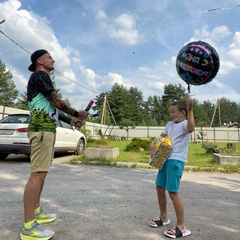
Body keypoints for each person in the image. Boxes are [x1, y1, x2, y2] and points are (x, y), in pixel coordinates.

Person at [20, 49, 89, 240]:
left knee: (41, 173)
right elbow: (56, 100)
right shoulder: (39, 75)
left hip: (46, 131)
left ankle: (37, 212)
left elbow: (51, 108)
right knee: (37, 175)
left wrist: (70, 121)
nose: (54, 59)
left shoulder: (40, 77)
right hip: (41, 130)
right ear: (39, 60)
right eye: (50, 57)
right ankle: (28, 227)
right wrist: (76, 114)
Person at [149, 99, 194, 239]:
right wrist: (153, 144)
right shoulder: (170, 125)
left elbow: (191, 128)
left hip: (176, 161)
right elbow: (161, 137)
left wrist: (191, 109)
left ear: (183, 112)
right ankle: (164, 218)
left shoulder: (185, 125)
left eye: (173, 112)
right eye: (170, 112)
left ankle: (182, 226)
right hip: (165, 160)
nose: (171, 115)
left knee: (173, 193)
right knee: (159, 188)